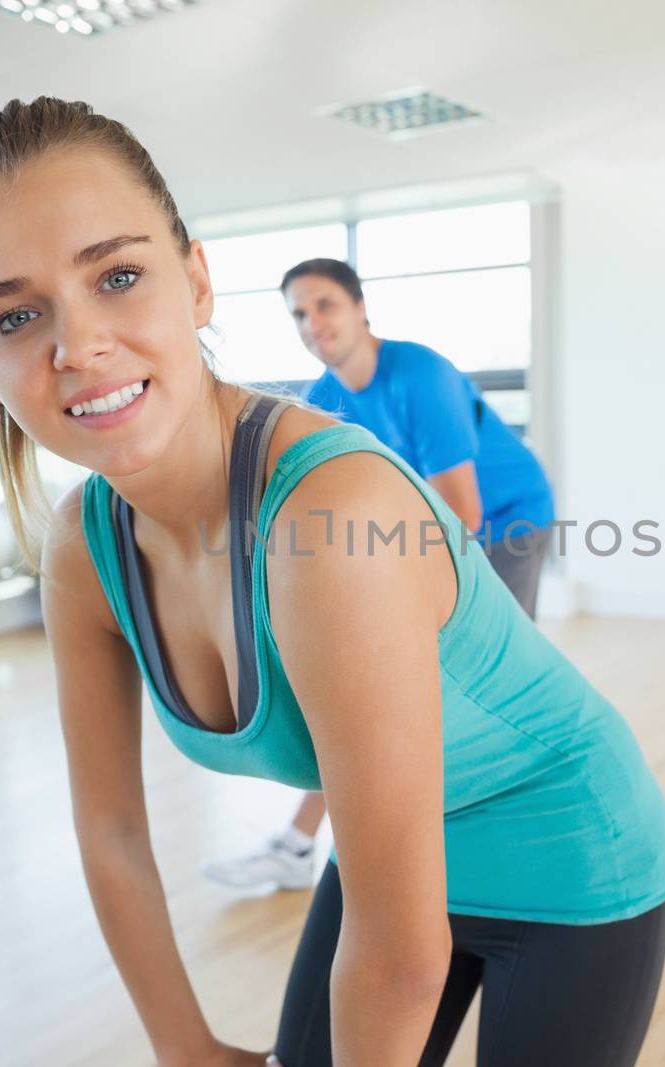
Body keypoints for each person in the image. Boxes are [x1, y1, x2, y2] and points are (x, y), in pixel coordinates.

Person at [0, 96, 665, 1067]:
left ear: (195, 282)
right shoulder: (85, 548)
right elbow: (109, 830)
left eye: (116, 275)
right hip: (390, 857)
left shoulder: (329, 520)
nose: (77, 344)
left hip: (566, 843)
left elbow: (403, 959)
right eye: (14, 315)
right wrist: (183, 1045)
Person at [200, 257, 558, 893]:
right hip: (418, 531)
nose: (314, 324)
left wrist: (374, 580)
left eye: (326, 306)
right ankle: (297, 843)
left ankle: (520, 820)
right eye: (300, 314)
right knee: (369, 692)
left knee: (477, 680)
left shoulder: (420, 376)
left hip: (505, 523)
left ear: (361, 308)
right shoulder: (322, 401)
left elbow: (463, 516)